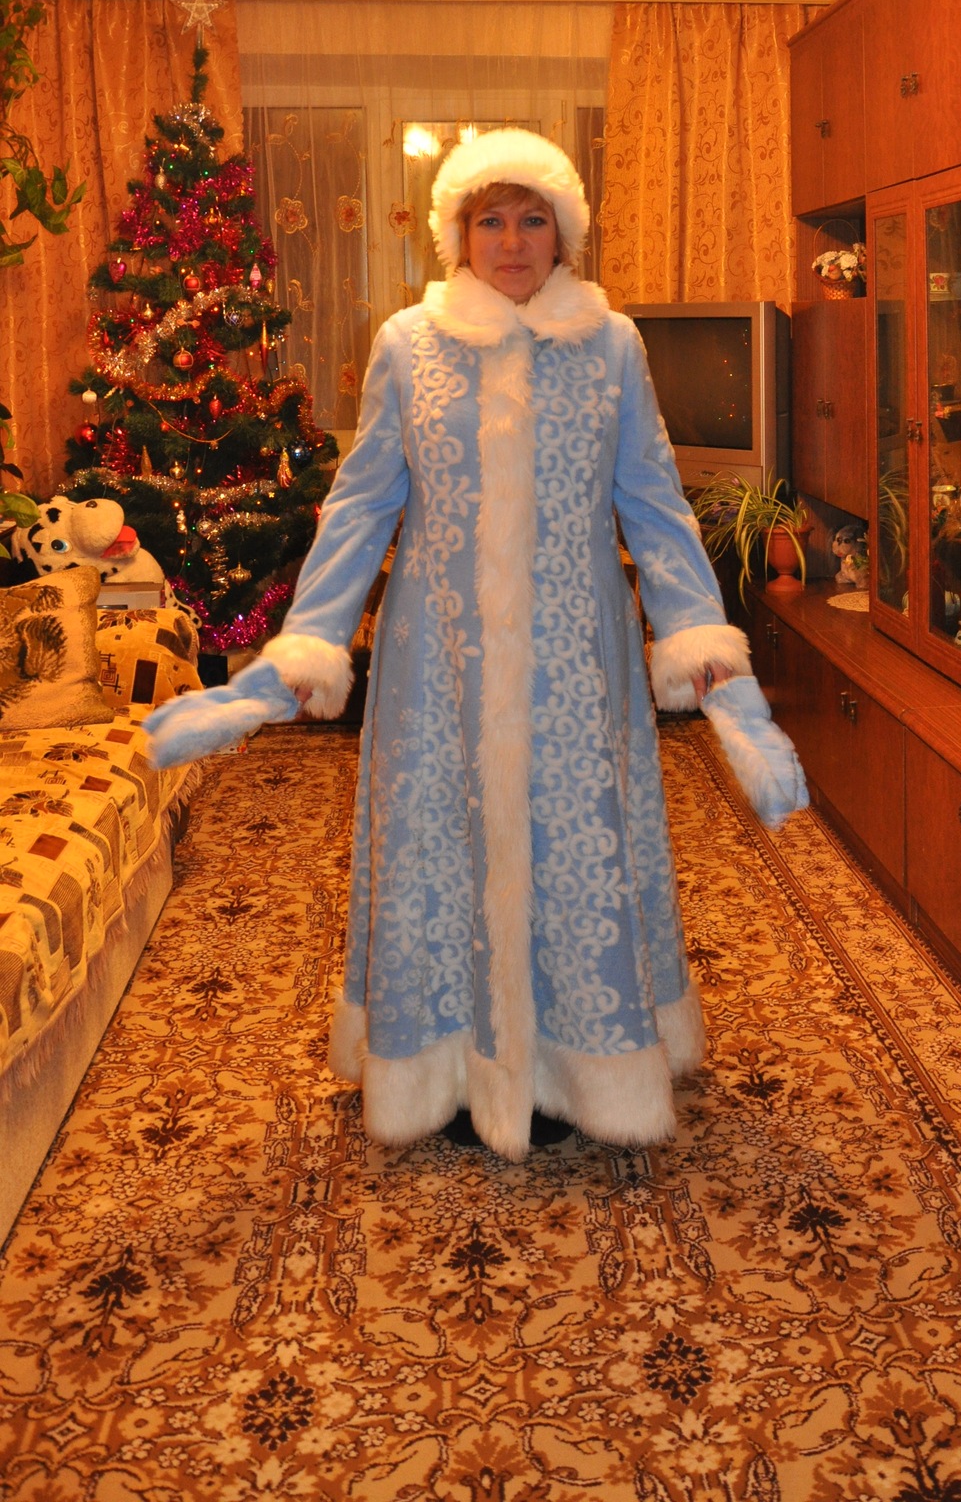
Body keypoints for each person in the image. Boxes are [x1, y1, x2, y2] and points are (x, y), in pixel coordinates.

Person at [146, 129, 805, 1161]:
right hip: (435, 664)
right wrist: (312, 639)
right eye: (489, 220)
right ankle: (445, 1066)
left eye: (532, 219)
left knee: (575, 852)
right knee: (442, 853)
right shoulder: (408, 343)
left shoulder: (614, 346)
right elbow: (362, 504)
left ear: (564, 234)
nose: (511, 240)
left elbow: (653, 501)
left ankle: (578, 1066)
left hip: (577, 663)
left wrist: (694, 632)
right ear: (457, 233)